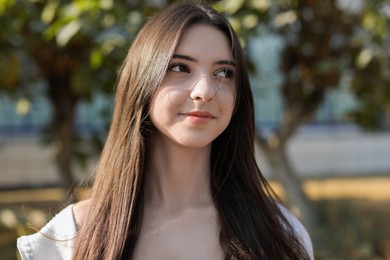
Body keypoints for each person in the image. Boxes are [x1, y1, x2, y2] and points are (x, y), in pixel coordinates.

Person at [17, 2, 314, 259]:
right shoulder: (72, 236)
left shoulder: (280, 233)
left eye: (224, 73)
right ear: (142, 83)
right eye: (180, 67)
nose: (205, 90)